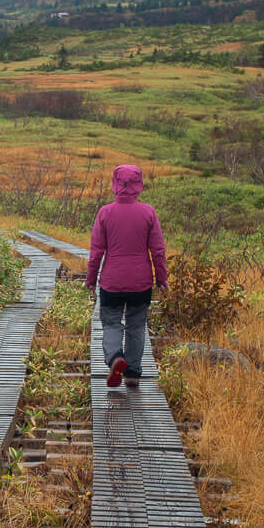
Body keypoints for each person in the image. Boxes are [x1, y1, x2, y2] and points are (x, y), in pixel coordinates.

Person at [83, 163, 168, 390]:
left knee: (111, 323)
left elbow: (96, 252)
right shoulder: (149, 213)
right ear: (139, 185)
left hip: (112, 282)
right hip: (141, 283)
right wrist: (162, 279)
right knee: (136, 326)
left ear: (115, 184)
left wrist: (90, 279)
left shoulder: (105, 213)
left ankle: (115, 358)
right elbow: (158, 251)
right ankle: (132, 373)